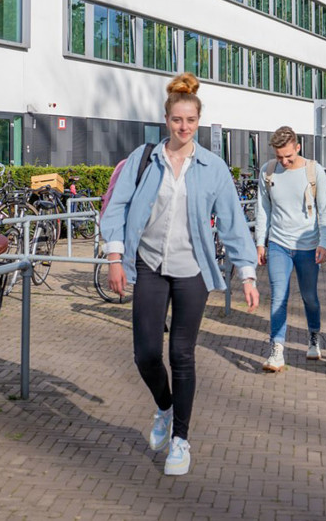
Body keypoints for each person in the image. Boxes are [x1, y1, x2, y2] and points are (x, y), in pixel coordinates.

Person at [100, 73, 259, 476]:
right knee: (147, 353)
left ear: (198, 122)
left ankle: (180, 440)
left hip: (193, 272)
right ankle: (165, 407)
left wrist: (247, 274)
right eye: (176, 120)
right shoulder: (143, 158)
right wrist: (115, 257)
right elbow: (116, 208)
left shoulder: (213, 167)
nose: (183, 127)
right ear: (166, 119)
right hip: (149, 265)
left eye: (190, 120)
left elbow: (232, 222)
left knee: (182, 354)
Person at [255, 126, 326, 371]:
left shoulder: (313, 170)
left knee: (309, 297)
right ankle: (277, 349)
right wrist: (260, 242)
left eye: (288, 156)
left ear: (298, 147)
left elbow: (325, 211)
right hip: (279, 244)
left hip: (308, 246)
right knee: (278, 296)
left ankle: (313, 336)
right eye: (279, 157)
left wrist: (324, 242)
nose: (284, 161)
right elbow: (263, 209)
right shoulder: (268, 172)